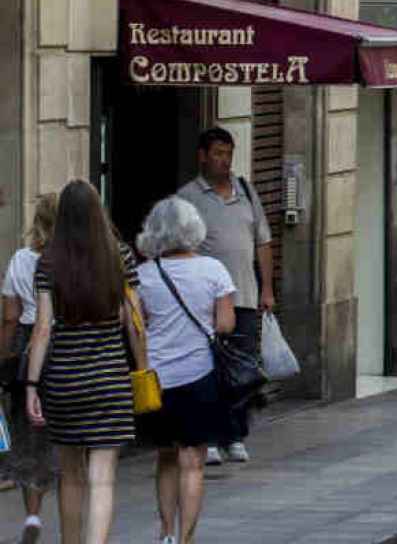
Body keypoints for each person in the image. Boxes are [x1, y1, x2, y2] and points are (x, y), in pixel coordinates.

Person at [24, 180, 143, 544]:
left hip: (64, 381)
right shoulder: (119, 256)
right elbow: (135, 321)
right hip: (110, 381)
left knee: (71, 474)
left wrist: (32, 386)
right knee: (103, 476)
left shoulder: (48, 262)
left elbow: (42, 329)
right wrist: (142, 371)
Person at [134, 197, 239, 544]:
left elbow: (137, 326)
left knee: (165, 457)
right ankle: (185, 539)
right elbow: (225, 324)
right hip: (199, 376)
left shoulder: (144, 275)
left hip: (159, 380)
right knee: (192, 461)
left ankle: (163, 533)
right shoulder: (214, 270)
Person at [176, 127, 271, 465]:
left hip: (243, 295)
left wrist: (267, 289)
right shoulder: (187, 198)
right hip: (203, 302)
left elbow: (262, 242)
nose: (224, 160)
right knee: (208, 369)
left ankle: (235, 435)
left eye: (228, 153)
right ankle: (211, 437)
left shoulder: (246, 191)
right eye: (218, 153)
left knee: (241, 372)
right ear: (202, 155)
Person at [1, 195, 57, 542]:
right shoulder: (73, 260)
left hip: (25, 345)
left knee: (28, 432)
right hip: (65, 345)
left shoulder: (21, 259)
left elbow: (10, 316)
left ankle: (33, 514)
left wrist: (5, 354)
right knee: (64, 431)